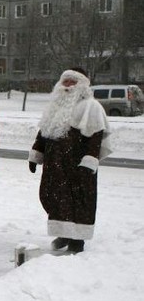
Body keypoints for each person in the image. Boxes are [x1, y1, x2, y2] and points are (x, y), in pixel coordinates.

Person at [28, 68, 111, 254]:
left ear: (81, 85)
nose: (67, 86)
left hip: (77, 167)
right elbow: (43, 133)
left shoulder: (91, 106)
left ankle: (77, 240)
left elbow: (95, 137)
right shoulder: (55, 106)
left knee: (79, 202)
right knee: (55, 198)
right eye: (65, 81)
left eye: (72, 82)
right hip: (54, 166)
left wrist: (89, 162)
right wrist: (36, 153)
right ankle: (64, 233)